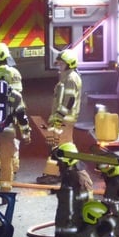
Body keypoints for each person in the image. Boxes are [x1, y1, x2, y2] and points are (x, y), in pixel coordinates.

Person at [38, 49, 82, 184]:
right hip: (64, 118)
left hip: (64, 119)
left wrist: (58, 117)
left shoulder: (71, 78)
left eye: (62, 64)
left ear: (70, 64)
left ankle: (54, 174)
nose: (59, 66)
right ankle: (69, 172)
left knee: (57, 145)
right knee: (64, 145)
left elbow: (69, 100)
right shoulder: (68, 76)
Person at [0, 42, 25, 175]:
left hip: (4, 114)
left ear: (0, 57)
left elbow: (14, 96)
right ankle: (10, 169)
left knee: (2, 144)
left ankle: (6, 170)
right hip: (7, 114)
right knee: (5, 143)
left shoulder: (5, 73)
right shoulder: (10, 72)